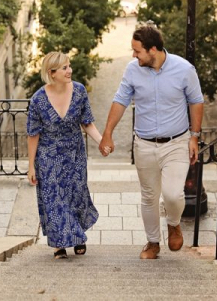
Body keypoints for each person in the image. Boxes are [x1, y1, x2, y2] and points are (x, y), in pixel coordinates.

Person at [99, 23, 204, 259]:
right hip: (144, 143)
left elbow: (196, 101)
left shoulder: (184, 69)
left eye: (137, 51)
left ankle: (174, 224)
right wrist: (108, 133)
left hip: (176, 142)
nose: (133, 56)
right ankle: (153, 242)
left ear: (153, 50)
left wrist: (194, 137)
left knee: (173, 194)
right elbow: (120, 100)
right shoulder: (132, 70)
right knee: (148, 195)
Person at [27, 51, 107, 259]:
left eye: (69, 66)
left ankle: (78, 236)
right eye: (64, 68)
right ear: (51, 73)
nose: (69, 70)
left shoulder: (79, 91)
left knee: (76, 194)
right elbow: (33, 134)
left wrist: (102, 142)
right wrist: (31, 166)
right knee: (54, 199)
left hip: (74, 154)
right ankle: (58, 244)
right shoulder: (38, 99)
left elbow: (87, 122)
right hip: (48, 156)